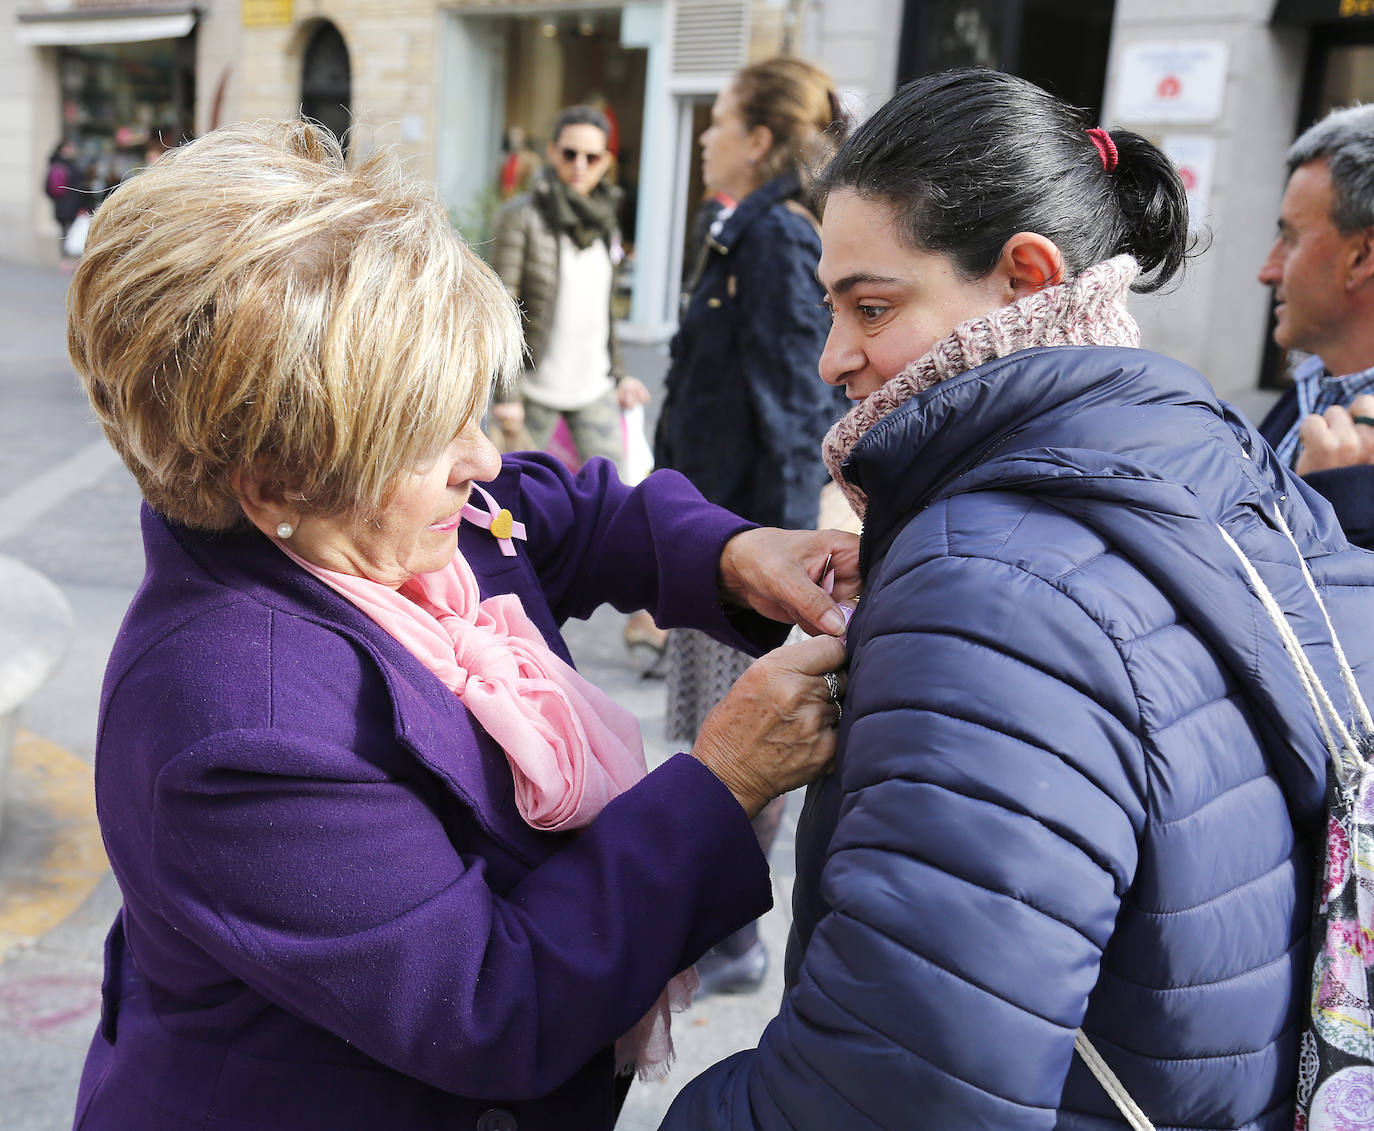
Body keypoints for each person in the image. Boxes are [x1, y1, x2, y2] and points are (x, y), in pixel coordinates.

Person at [64, 119, 860, 1131]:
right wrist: (724, 780)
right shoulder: (235, 721)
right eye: (429, 434)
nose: (480, 457)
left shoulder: (372, 518)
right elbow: (491, 1001)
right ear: (271, 482)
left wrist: (734, 554)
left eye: (470, 408)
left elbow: (558, 516)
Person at [660, 68, 1374, 1129]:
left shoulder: (989, 586)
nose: (835, 358)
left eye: (873, 306)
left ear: (1028, 277)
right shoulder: (1219, 458)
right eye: (831, 309)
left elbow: (892, 1094)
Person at [653, 56, 851, 996]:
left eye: (719, 118)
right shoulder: (740, 225)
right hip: (717, 531)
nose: (704, 135)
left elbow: (786, 404)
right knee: (709, 727)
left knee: (741, 736)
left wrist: (774, 574)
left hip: (745, 544)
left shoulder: (774, 235)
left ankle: (730, 937)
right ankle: (720, 924)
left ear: (762, 137)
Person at [489, 104, 663, 662]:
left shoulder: (605, 217)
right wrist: (507, 396)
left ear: (606, 162)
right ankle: (511, 624)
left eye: (592, 156)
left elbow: (603, 313)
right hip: (535, 389)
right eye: (570, 154)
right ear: (552, 154)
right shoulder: (523, 217)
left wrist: (619, 374)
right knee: (510, 512)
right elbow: (504, 306)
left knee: (626, 498)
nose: (579, 165)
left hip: (591, 386)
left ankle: (646, 616)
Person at [1256, 102, 1374, 549]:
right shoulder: (1310, 388)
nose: (1267, 271)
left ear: (1362, 257)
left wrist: (1344, 499)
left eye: (1290, 239)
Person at [44, 140, 84, 255]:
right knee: (70, 234)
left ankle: (67, 259)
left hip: (65, 206)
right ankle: (67, 259)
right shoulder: (63, 166)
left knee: (67, 234)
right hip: (69, 207)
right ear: (64, 149)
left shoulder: (64, 164)